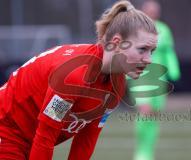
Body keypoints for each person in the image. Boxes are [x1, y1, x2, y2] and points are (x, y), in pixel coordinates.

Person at [0, 1, 158, 160]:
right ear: (116, 43)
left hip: (26, 140)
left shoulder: (117, 85)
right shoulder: (73, 76)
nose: (149, 59)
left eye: (152, 51)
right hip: (6, 131)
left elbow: (86, 139)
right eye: (142, 49)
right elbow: (45, 137)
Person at [130, 1, 181, 160]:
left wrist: (173, 71)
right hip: (141, 77)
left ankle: (148, 152)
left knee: (154, 115)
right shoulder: (135, 30)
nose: (152, 13)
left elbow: (168, 52)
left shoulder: (164, 30)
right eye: (149, 10)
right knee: (144, 112)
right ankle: (141, 152)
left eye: (154, 10)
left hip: (160, 78)